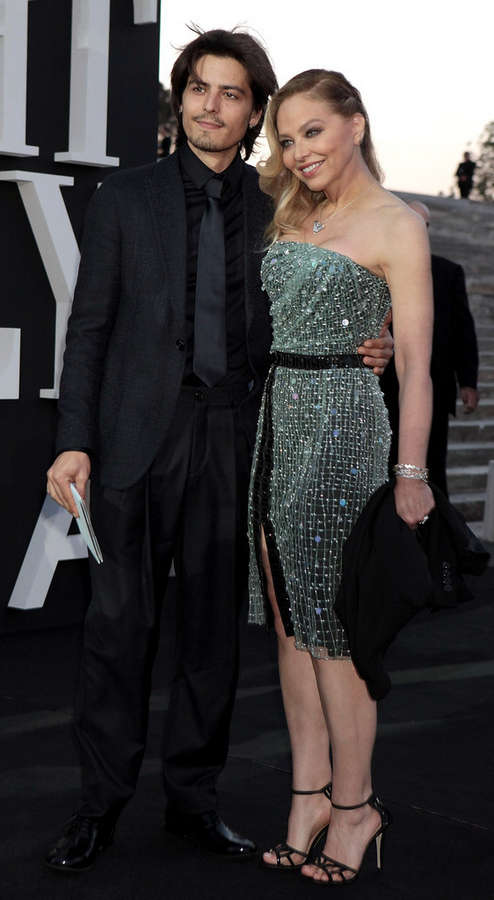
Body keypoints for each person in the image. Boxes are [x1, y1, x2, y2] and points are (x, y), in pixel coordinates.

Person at [44, 31, 392, 873]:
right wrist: (74, 441)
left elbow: (335, 283)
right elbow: (88, 328)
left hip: (238, 437)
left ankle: (193, 802)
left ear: (254, 111)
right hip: (134, 440)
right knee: (118, 631)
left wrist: (367, 340)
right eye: (199, 87)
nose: (210, 105)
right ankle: (100, 806)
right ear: (182, 97)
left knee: (211, 637)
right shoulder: (125, 196)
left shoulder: (283, 204)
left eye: (231, 93)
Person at [247, 69, 435, 885]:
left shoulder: (397, 223)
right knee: (291, 630)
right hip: (277, 426)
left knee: (336, 635)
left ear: (354, 124)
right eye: (287, 139)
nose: (298, 152)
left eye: (313, 132)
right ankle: (309, 797)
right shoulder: (295, 213)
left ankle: (357, 810)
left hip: (343, 432)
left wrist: (410, 472)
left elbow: (417, 366)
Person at [382, 201, 479, 495]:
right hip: (385, 386)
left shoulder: (448, 272)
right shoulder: (379, 268)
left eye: (421, 225)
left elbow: (464, 330)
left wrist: (468, 382)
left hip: (435, 387)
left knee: (433, 468)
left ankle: (436, 523)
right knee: (385, 467)